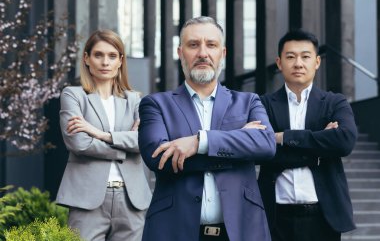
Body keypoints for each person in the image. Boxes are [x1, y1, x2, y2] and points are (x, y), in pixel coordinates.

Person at [138, 16, 276, 241]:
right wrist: (239, 142)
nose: (203, 53)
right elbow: (159, 158)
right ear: (180, 52)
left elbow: (266, 145)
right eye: (194, 45)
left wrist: (199, 142)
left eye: (211, 45)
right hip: (174, 230)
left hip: (241, 230)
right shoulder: (155, 104)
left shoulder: (248, 101)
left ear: (222, 53)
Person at [258, 29, 358, 241]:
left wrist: (282, 138)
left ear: (317, 62)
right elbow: (259, 149)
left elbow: (344, 142)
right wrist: (319, 146)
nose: (298, 63)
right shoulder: (263, 104)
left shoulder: (334, 102)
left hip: (323, 217)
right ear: (279, 62)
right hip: (275, 218)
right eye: (291, 57)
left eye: (305, 56)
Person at [56, 29, 152, 241]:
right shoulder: (73, 95)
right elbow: (79, 144)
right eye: (98, 55)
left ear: (120, 61)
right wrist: (124, 148)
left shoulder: (135, 100)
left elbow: (144, 141)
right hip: (87, 200)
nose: (105, 62)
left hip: (131, 200)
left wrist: (99, 134)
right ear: (86, 58)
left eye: (112, 56)